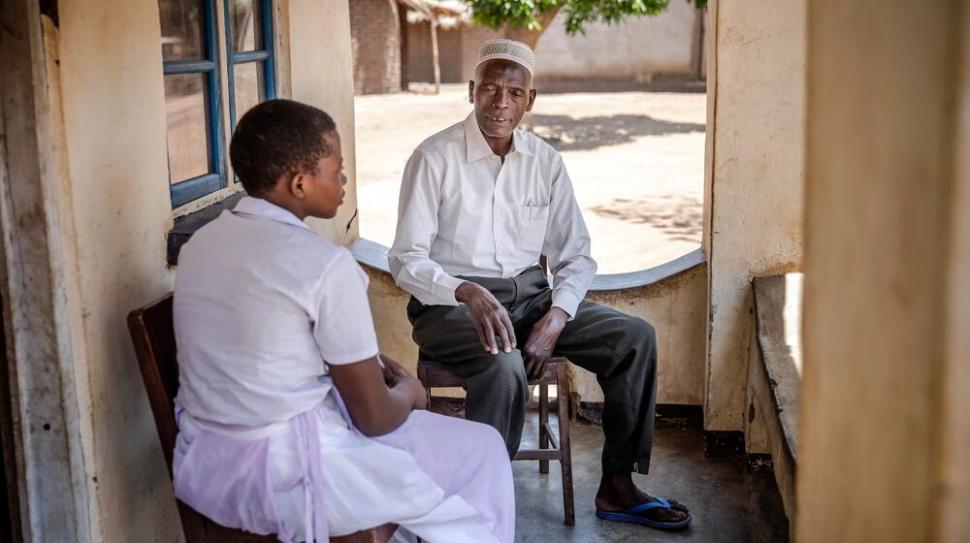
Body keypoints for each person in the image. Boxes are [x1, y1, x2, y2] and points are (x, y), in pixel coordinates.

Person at [172, 99, 514, 543]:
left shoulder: (203, 243)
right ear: (299, 183)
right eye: (337, 171)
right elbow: (373, 418)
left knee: (471, 448)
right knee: (472, 469)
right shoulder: (324, 265)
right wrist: (410, 391)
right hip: (291, 478)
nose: (344, 180)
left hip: (209, 462)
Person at [388, 39, 692, 531]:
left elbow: (576, 254)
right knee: (502, 363)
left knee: (634, 340)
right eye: (489, 89)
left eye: (513, 92)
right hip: (449, 304)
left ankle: (617, 486)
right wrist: (464, 291)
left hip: (531, 297)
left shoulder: (545, 161)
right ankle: (478, 506)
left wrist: (557, 317)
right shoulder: (434, 157)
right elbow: (405, 260)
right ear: (471, 92)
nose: (500, 103)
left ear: (531, 99)